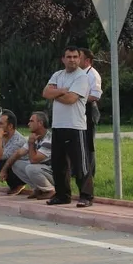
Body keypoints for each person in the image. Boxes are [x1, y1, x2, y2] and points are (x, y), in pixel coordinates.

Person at [42, 46, 94, 207]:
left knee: (80, 164)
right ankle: (62, 195)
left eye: (75, 57)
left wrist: (55, 93)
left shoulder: (82, 77)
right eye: (68, 57)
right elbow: (45, 93)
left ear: (79, 59)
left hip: (75, 126)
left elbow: (71, 99)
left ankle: (86, 196)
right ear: (63, 59)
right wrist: (61, 91)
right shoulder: (58, 75)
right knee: (58, 164)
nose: (72, 60)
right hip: (58, 125)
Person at [11, 112, 55, 200]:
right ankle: (38, 189)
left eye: (31, 121)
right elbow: (18, 153)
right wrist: (4, 170)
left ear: (40, 123)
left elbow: (34, 160)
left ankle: (50, 190)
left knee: (30, 168)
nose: (28, 124)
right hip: (42, 169)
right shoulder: (35, 136)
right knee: (16, 164)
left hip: (53, 173)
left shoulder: (49, 139)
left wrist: (31, 143)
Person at [79, 49, 102, 176]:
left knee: (88, 143)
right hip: (79, 110)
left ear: (87, 60)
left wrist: (77, 99)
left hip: (89, 110)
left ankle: (90, 172)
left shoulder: (93, 75)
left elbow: (95, 95)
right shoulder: (78, 73)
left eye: (79, 57)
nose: (76, 60)